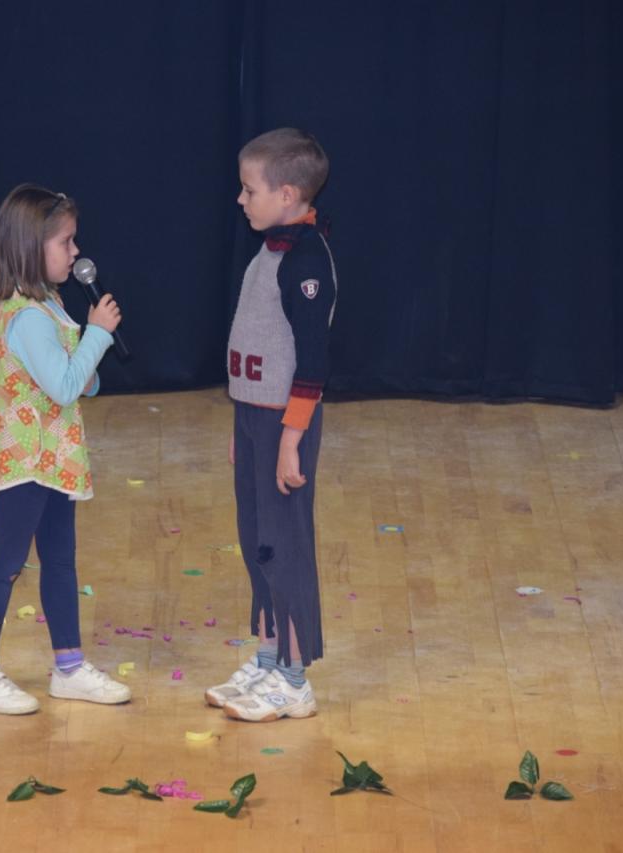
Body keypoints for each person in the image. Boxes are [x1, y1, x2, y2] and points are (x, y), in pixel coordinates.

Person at [0, 184, 130, 715]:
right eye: (66, 242)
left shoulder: (48, 303)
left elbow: (68, 378)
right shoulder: (29, 316)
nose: (76, 253)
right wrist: (98, 336)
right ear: (31, 247)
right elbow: (60, 387)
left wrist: (87, 365)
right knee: (5, 564)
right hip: (25, 461)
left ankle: (69, 666)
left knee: (60, 561)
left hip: (51, 458)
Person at [206, 128, 337, 722]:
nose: (240, 199)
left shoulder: (307, 261)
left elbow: (312, 365)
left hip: (286, 426)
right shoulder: (270, 250)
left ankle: (294, 679)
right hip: (255, 421)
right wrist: (245, 430)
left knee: (283, 547)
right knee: (256, 540)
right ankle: (267, 658)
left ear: (286, 194)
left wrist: (289, 440)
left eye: (248, 189)